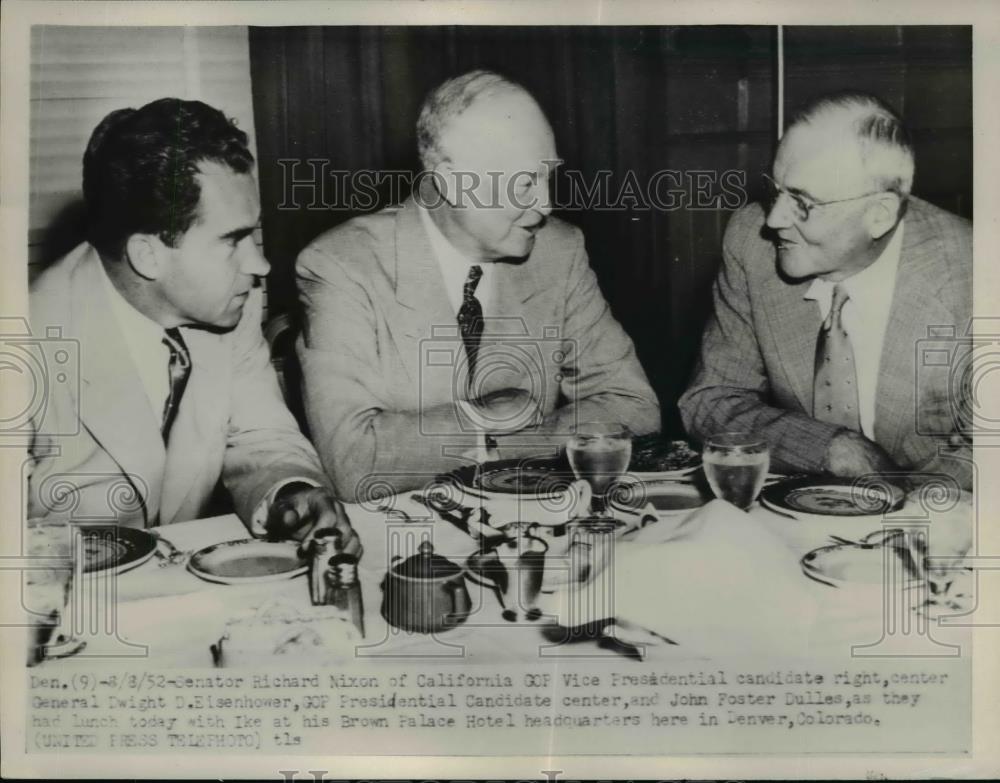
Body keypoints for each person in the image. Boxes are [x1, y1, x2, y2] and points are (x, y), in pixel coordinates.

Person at [297, 70, 660, 501]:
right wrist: (490, 421)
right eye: (525, 182)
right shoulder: (342, 265)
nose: (545, 204)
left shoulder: (558, 251)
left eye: (548, 177)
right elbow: (354, 464)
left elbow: (635, 407)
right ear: (450, 180)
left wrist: (495, 439)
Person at [27, 98, 361, 551]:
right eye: (233, 240)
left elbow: (262, 437)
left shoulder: (226, 308)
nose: (260, 265)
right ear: (148, 256)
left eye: (254, 234)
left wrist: (292, 494)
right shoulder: (27, 342)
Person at [679, 92, 972, 489]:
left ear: (879, 215)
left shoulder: (972, 272)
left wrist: (913, 508)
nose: (775, 219)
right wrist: (830, 448)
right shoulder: (752, 242)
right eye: (776, 190)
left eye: (802, 201)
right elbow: (711, 400)